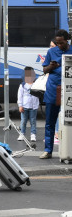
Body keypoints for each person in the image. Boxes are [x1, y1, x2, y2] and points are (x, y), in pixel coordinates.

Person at [40, 29, 71, 159]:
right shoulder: (51, 52)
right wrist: (51, 67)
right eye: (57, 43)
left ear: (67, 40)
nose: (59, 45)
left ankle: (69, 149)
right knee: (50, 122)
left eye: (61, 43)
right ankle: (48, 150)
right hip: (54, 89)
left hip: (69, 90)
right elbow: (44, 69)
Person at [18, 66, 39, 147]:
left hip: (33, 107)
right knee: (23, 121)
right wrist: (20, 105)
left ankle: (33, 134)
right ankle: (22, 134)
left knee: (33, 121)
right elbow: (19, 96)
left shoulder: (36, 84)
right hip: (24, 106)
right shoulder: (22, 85)